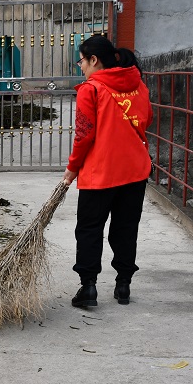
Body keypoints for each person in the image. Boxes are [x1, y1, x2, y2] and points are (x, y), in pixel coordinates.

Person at [63, 35, 152, 309]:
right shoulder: (137, 84)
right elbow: (146, 118)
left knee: (89, 229)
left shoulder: (91, 89)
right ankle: (123, 284)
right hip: (135, 170)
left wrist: (71, 169)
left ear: (94, 60)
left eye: (82, 61)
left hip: (100, 173)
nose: (81, 67)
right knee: (126, 228)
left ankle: (88, 287)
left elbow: (84, 136)